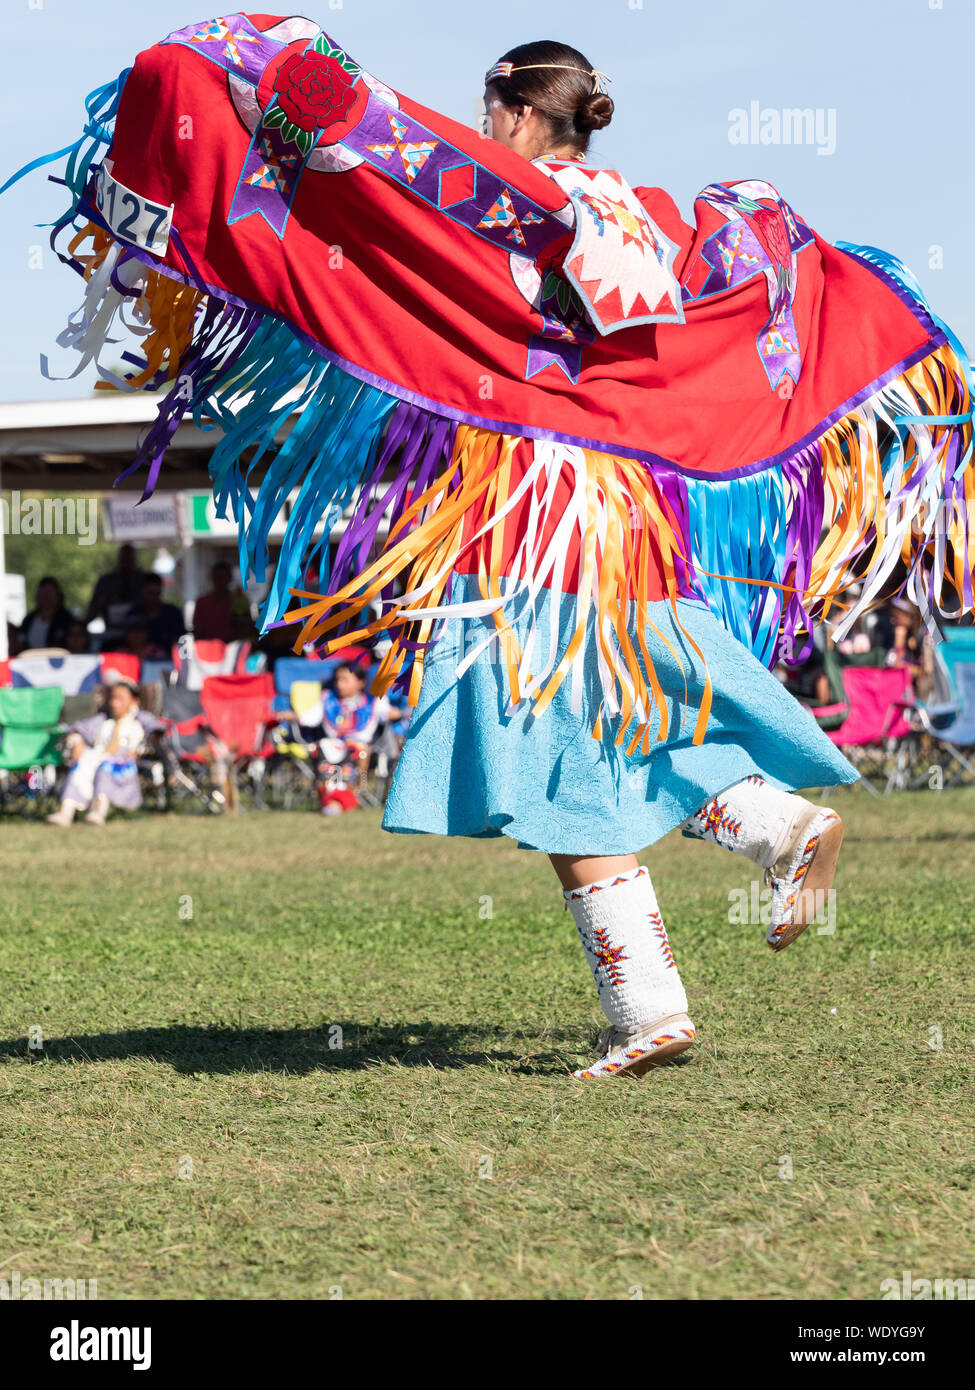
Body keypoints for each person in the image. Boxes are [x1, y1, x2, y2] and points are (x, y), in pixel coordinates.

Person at [13, 18, 975, 1081]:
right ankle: (767, 839)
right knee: (612, 724)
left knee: (537, 738)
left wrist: (265, 78)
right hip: (629, 510)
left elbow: (382, 161)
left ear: (519, 111)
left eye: (489, 113)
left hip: (537, 509)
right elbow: (734, 277)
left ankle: (657, 994)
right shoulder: (652, 217)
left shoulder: (522, 202)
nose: (481, 130)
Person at [46, 678, 164, 826]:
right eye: (113, 698)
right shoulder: (103, 720)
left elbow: (157, 731)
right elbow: (78, 729)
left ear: (134, 702)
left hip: (122, 763)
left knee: (106, 768)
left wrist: (140, 750)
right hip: (97, 757)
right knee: (80, 765)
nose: (114, 703)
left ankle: (98, 811)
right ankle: (66, 812)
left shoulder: (139, 719)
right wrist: (77, 742)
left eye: (120, 699)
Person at [299, 662, 381, 815]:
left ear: (361, 682)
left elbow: (391, 714)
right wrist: (291, 716)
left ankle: (356, 789)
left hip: (359, 748)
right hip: (333, 746)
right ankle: (328, 794)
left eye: (345, 679)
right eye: (337, 680)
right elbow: (308, 718)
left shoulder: (373, 701)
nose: (339, 684)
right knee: (321, 746)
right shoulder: (328, 699)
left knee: (359, 750)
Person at [86, 544, 147, 647]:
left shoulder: (144, 580)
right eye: (124, 560)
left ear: (135, 560)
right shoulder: (106, 582)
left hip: (140, 638)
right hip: (111, 635)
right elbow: (92, 611)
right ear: (118, 560)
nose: (127, 564)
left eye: (130, 560)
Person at [126, 572, 186, 658]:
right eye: (150, 593)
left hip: (169, 661)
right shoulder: (134, 614)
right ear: (142, 592)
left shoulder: (173, 613)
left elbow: (181, 641)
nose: (154, 598)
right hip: (138, 661)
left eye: (157, 593)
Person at [18, 577, 73, 651]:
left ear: (58, 596)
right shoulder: (28, 620)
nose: (46, 597)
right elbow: (20, 642)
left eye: (50, 593)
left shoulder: (66, 619)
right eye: (43, 593)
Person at [192, 560, 235, 642]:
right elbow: (197, 631)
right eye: (218, 577)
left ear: (229, 579)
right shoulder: (202, 602)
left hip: (232, 648)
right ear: (213, 578)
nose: (220, 581)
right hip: (207, 649)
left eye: (223, 577)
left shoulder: (237, 601)